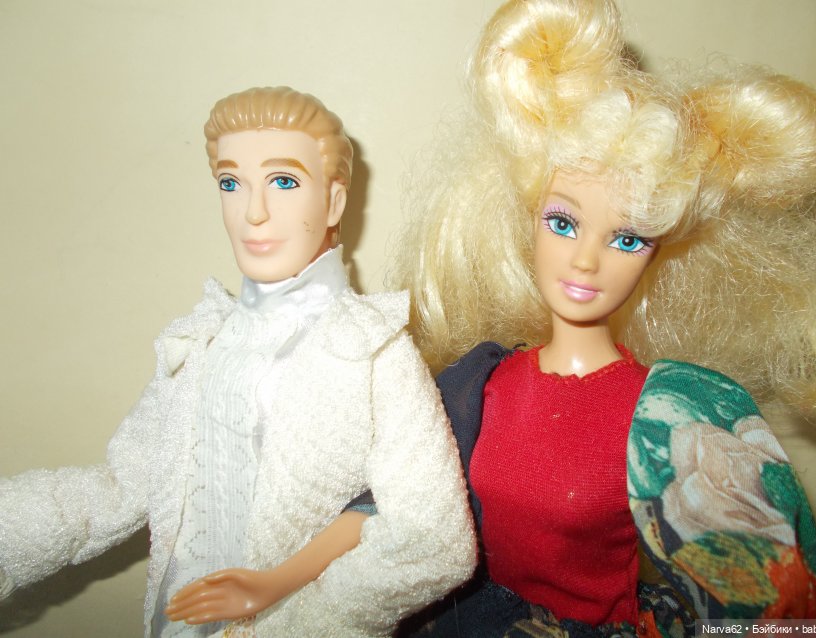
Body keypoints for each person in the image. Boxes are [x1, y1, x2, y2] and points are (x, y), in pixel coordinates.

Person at [394, 1, 816, 635]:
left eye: (628, 238)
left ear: (661, 256)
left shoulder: (669, 414)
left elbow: (775, 614)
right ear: (524, 219)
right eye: (563, 222)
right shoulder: (480, 381)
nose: (586, 261)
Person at [0, 86, 476, 637]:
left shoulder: (372, 350)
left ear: (334, 202)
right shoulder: (200, 342)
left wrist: (306, 617)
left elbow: (434, 540)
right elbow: (122, 485)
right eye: (231, 184)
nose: (253, 212)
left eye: (283, 182)